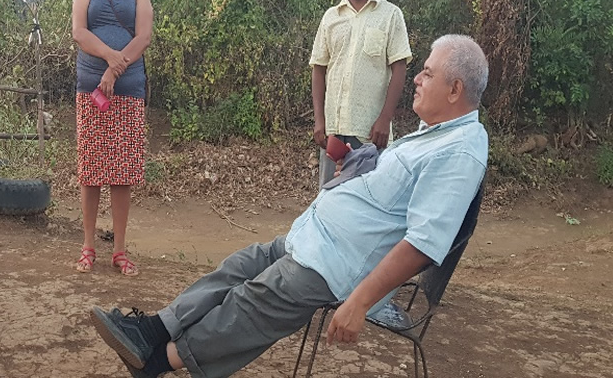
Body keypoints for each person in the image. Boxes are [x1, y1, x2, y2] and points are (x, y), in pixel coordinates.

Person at [90, 34, 489, 378]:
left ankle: (157, 361)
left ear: (455, 90)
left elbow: (423, 243)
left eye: (428, 73)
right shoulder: (434, 135)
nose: (417, 79)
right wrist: (358, 161)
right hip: (317, 241)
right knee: (241, 265)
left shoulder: (460, 153)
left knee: (253, 299)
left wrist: (361, 302)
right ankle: (154, 331)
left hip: (339, 268)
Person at [71, 0, 154, 276]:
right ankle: (88, 247)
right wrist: (110, 59)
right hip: (90, 89)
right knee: (91, 171)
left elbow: (144, 36)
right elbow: (78, 32)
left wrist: (115, 72)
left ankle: (119, 251)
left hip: (129, 91)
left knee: (122, 174)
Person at [311, 0, 412, 186]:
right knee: (330, 200)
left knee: (367, 205)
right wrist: (319, 121)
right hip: (334, 132)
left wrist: (385, 120)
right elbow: (319, 69)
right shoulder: (331, 17)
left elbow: (399, 69)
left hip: (370, 134)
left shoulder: (390, 15)